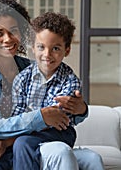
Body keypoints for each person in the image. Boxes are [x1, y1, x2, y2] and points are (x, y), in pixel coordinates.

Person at [0, 0, 104, 170]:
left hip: (34, 145)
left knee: (91, 159)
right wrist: (40, 117)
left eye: (13, 31)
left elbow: (63, 114)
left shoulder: (33, 68)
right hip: (3, 155)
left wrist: (81, 109)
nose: (8, 39)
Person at [11, 11, 84, 169]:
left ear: (67, 50)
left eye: (56, 48)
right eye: (41, 47)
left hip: (61, 133)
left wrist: (32, 119)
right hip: (30, 131)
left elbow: (58, 117)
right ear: (33, 48)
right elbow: (17, 113)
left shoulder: (70, 80)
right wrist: (37, 118)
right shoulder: (22, 79)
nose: (47, 54)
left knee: (22, 142)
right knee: (20, 142)